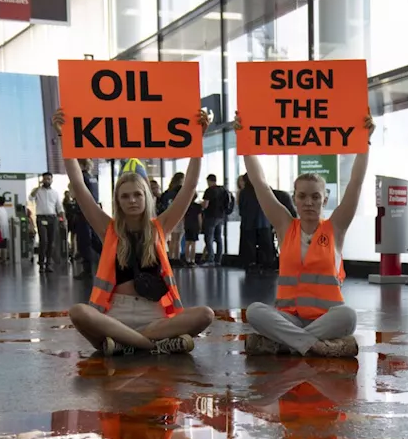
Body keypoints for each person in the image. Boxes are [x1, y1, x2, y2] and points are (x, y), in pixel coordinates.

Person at [54, 108, 215, 357]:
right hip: (115, 314)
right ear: (118, 200)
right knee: (78, 312)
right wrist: (65, 139)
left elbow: (190, 186)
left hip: (155, 314)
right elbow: (78, 184)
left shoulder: (160, 226)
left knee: (205, 314)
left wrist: (198, 139)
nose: (132, 200)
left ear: (146, 197)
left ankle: (126, 344)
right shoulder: (107, 228)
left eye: (137, 194)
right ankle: (153, 346)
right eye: (125, 196)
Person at [238, 111, 375, 358]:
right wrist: (244, 141)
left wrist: (365, 143)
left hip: (327, 318)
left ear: (325, 199)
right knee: (256, 311)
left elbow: (355, 184)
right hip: (288, 317)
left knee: (348, 316)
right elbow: (259, 183)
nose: (309, 202)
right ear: (294, 199)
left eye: (315, 196)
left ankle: (285, 344)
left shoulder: (335, 227)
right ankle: (315, 346)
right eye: (302, 196)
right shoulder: (284, 225)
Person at [30, 171, 62, 273]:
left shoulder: (55, 193)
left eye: (49, 179)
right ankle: (41, 264)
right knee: (43, 241)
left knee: (51, 242)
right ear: (42, 180)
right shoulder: (38, 191)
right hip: (41, 218)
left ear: (52, 180)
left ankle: (49, 263)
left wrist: (63, 218)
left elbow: (59, 207)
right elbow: (30, 198)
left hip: (52, 218)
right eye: (45, 179)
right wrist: (38, 187)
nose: (47, 181)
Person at [201, 174, 232, 266]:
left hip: (211, 216)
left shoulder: (209, 190)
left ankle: (210, 259)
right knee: (218, 238)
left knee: (209, 238)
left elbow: (205, 205)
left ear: (209, 181)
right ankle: (218, 259)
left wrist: (200, 205)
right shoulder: (223, 189)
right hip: (221, 216)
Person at [182, 196, 202, 266]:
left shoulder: (186, 206)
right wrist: (200, 226)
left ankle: (187, 259)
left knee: (187, 243)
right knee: (193, 244)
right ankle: (192, 260)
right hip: (195, 226)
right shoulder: (198, 206)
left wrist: (184, 225)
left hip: (187, 225)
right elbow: (199, 217)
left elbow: (183, 217)